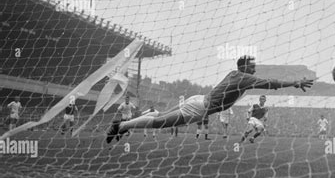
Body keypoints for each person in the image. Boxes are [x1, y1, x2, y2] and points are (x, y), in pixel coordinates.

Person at [106, 55, 313, 143]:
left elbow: (266, 82)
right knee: (159, 123)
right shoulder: (244, 77)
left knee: (160, 117)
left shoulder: (236, 74)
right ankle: (121, 125)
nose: (254, 68)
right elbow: (270, 83)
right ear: (245, 67)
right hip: (199, 107)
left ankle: (124, 125)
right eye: (252, 65)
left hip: (198, 101)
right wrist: (294, 82)